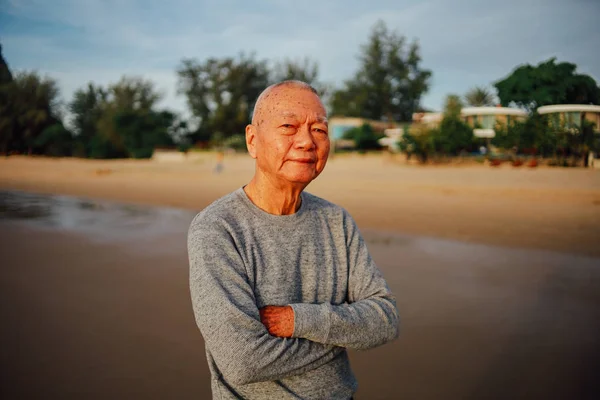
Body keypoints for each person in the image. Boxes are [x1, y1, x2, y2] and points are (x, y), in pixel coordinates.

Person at [188, 80, 399, 399]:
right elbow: (244, 362)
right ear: (252, 140)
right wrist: (341, 341)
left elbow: (385, 320)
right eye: (289, 126)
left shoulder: (336, 221)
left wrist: (298, 320)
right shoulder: (218, 228)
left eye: (319, 130)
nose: (307, 141)